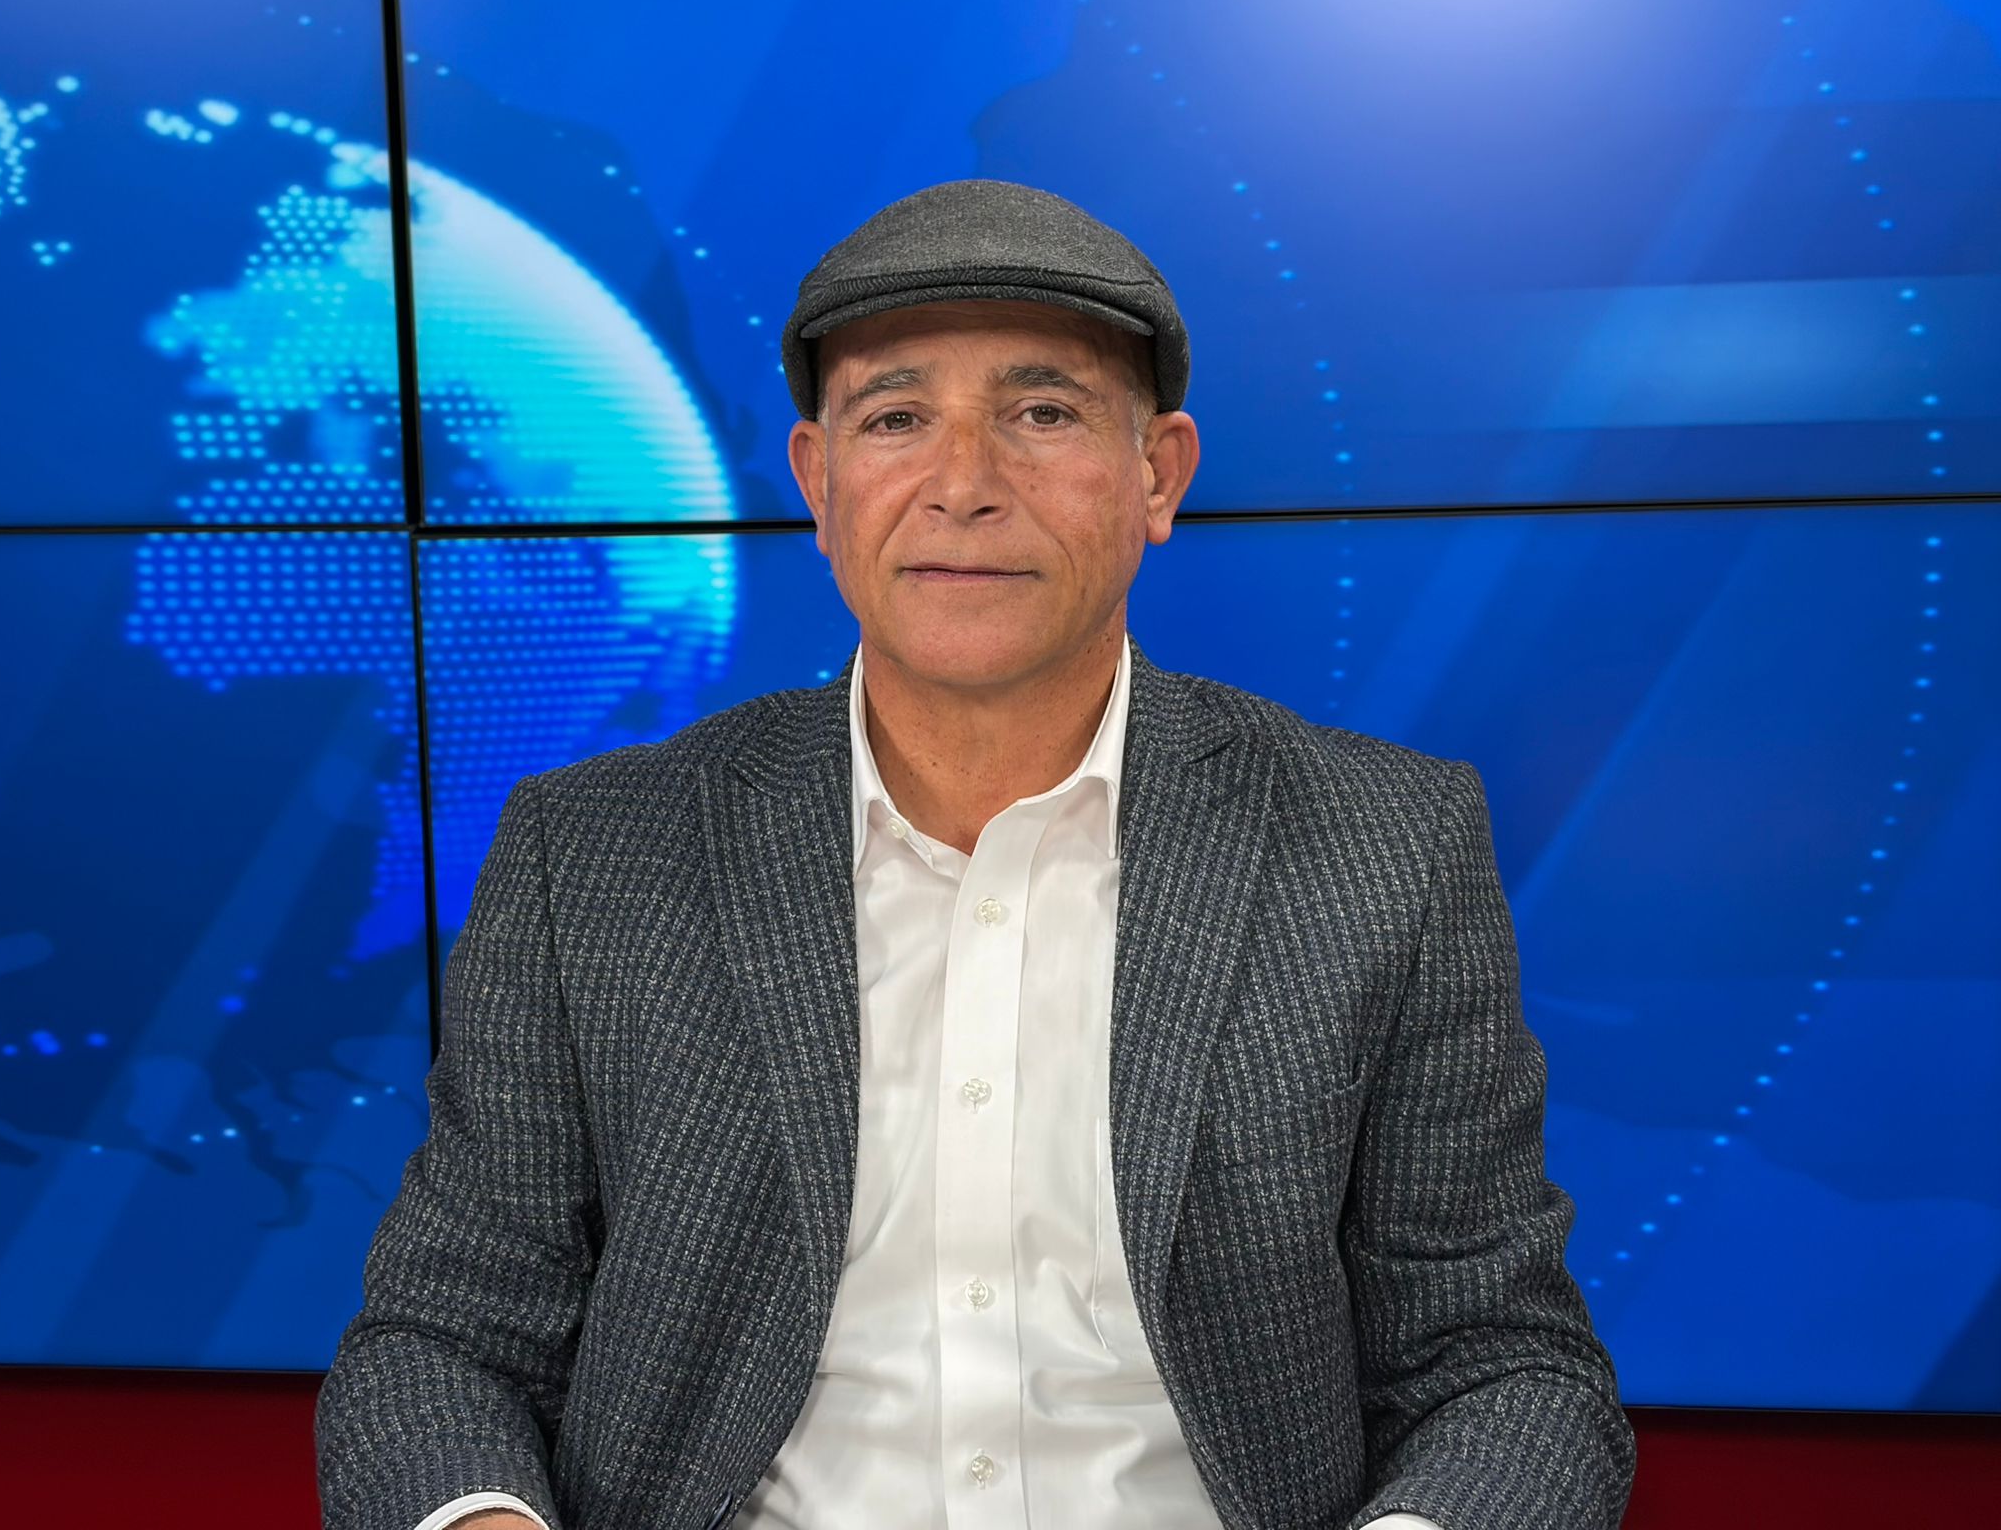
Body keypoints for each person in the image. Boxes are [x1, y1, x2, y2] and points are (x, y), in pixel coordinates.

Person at [316, 178, 1635, 1530]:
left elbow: (1500, 1363)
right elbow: (444, 1338)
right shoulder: (593, 852)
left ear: (1159, 474)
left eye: (1042, 413)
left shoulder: (1383, 844)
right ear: (819, 483)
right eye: (895, 419)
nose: (963, 486)